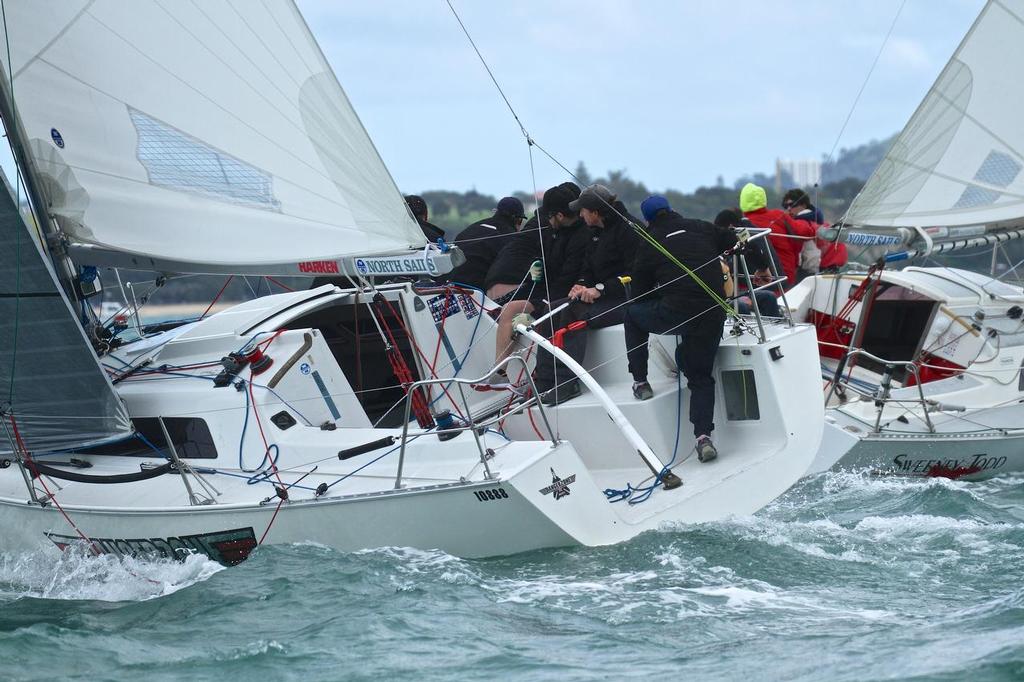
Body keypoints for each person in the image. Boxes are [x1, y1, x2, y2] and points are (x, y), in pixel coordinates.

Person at [624, 196, 736, 462]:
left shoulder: (649, 242)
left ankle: (640, 381)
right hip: (713, 312)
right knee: (700, 376)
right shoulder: (700, 226)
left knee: (632, 314)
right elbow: (732, 240)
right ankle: (703, 437)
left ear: (648, 220)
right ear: (672, 210)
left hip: (677, 313)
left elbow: (639, 294)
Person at [532, 184, 638, 405]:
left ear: (595, 212)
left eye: (582, 210)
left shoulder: (628, 230)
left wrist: (600, 290)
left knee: (576, 315)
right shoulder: (594, 232)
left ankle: (566, 383)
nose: (579, 214)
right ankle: (542, 381)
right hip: (603, 296)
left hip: (626, 298)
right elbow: (588, 269)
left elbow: (636, 274)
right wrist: (581, 285)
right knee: (550, 309)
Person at [490, 186, 590, 377]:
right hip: (547, 291)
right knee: (508, 310)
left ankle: (540, 372)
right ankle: (499, 373)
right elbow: (552, 264)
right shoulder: (556, 230)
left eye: (550, 217)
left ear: (560, 216)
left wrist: (543, 305)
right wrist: (537, 270)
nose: (547, 220)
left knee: (532, 313)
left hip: (564, 296)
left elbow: (567, 277)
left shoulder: (580, 237)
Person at [484, 183, 581, 303]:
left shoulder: (536, 223)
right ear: (560, 215)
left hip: (491, 286)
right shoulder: (549, 230)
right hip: (512, 286)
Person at [739, 183, 815, 286]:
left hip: (755, 281)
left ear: (742, 202)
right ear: (763, 199)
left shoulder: (740, 226)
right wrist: (807, 218)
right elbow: (807, 232)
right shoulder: (778, 215)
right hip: (786, 277)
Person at [714, 208, 781, 318]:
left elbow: (750, 247)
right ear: (732, 227)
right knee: (740, 306)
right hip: (718, 296)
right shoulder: (713, 243)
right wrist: (736, 297)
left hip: (735, 292)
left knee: (769, 297)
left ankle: (775, 328)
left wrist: (763, 268)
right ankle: (743, 333)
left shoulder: (728, 238)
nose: (741, 234)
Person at [447, 197, 525, 290]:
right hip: (479, 291)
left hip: (452, 286)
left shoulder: (471, 228)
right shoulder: (510, 239)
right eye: (521, 221)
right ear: (517, 219)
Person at [782, 188, 847, 274]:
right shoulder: (817, 222)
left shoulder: (802, 223)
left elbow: (812, 254)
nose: (789, 209)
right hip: (833, 267)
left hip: (818, 270)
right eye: (786, 206)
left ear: (804, 205)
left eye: (792, 205)